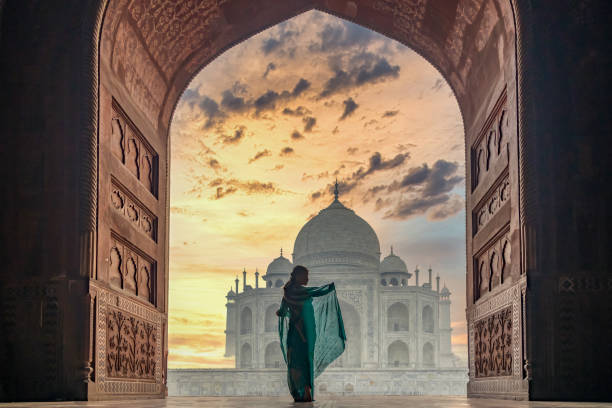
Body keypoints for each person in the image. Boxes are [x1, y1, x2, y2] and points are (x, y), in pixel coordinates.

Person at [276, 265, 346, 402]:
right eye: (305, 276)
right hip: (306, 334)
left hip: (294, 334)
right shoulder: (304, 292)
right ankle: (307, 393)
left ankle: (300, 392)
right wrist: (331, 287)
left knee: (295, 363)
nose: (308, 278)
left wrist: (284, 312)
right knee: (305, 362)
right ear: (298, 276)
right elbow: (319, 291)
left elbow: (282, 312)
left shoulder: (288, 295)